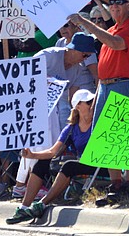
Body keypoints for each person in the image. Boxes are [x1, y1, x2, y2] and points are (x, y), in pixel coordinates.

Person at [70, 0, 129, 202]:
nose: (114, 7)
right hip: (106, 86)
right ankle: (116, 184)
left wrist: (84, 22)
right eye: (112, 3)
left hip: (124, 84)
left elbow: (116, 45)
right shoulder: (112, 30)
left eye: (120, 2)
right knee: (106, 137)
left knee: (125, 137)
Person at [7, 89, 98, 224]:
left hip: (100, 164)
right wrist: (32, 155)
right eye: (89, 102)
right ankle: (24, 207)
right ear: (78, 106)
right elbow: (53, 152)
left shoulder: (99, 122)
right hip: (83, 164)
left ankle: (41, 204)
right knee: (41, 163)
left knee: (69, 166)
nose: (93, 104)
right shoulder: (71, 128)